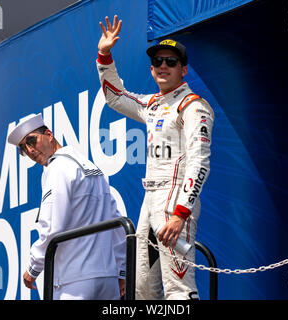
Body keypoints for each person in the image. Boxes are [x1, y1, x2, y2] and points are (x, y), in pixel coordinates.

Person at [96, 16, 214, 300]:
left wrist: (180, 214)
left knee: (179, 288)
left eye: (171, 62)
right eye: (159, 61)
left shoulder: (193, 106)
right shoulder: (151, 105)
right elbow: (115, 96)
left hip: (174, 203)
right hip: (150, 199)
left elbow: (199, 163)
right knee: (142, 289)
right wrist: (105, 55)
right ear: (151, 70)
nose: (163, 66)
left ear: (183, 70)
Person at [7, 113, 126, 300]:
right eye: (23, 148)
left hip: (75, 281)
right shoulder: (93, 168)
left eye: (32, 141)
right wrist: (121, 272)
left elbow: (52, 227)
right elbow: (117, 226)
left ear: (49, 134)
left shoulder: (57, 168)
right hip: (107, 279)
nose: (30, 150)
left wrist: (33, 267)